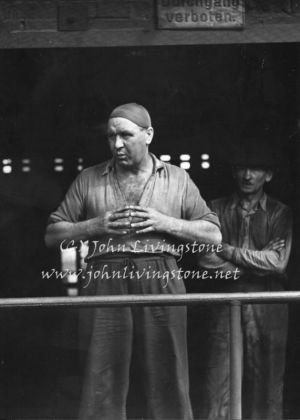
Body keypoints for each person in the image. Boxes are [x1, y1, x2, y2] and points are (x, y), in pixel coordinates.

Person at [45, 103, 221, 420]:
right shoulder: (89, 178)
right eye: (111, 137)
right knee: (103, 371)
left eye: (126, 135)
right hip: (104, 276)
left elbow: (213, 234)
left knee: (168, 369)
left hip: (161, 275)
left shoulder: (178, 178)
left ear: (148, 134)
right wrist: (93, 226)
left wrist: (165, 222)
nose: (117, 145)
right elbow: (52, 234)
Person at [200, 139, 292, 420]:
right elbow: (204, 258)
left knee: (267, 381)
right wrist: (254, 262)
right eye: (241, 168)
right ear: (233, 171)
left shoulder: (280, 212)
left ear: (269, 174)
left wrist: (226, 251)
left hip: (269, 301)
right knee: (218, 380)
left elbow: (277, 263)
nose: (248, 175)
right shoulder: (213, 209)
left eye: (256, 169)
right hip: (225, 300)